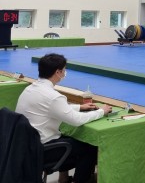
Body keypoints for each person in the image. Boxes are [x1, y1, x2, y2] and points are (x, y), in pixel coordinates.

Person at [16, 54, 112, 183]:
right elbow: (76, 120)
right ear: (58, 72)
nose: (64, 73)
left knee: (71, 141)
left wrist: (79, 107)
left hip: (26, 146)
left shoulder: (29, 89)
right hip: (43, 149)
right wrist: (101, 111)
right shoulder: (53, 96)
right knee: (90, 149)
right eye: (64, 70)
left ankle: (64, 178)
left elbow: (52, 108)